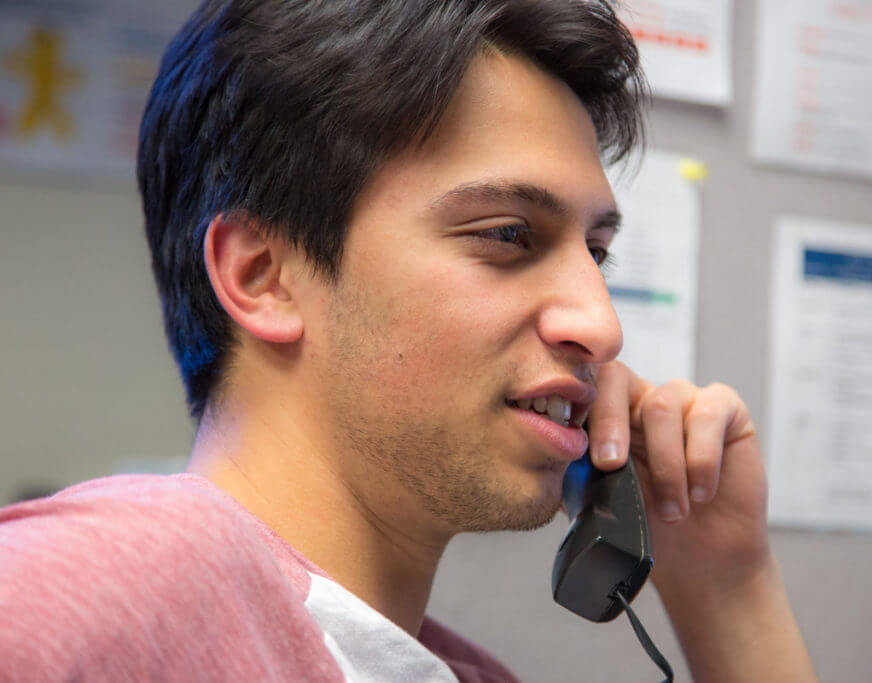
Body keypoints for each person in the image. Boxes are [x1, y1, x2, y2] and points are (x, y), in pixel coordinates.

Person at [0, 1, 818, 681]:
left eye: (595, 253)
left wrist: (728, 591)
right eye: (508, 233)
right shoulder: (95, 589)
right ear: (262, 275)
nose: (602, 325)